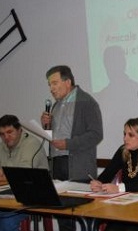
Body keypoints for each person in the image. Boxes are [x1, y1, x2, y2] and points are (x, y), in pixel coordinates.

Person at [40, 65, 103, 231]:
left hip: (78, 168)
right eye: (49, 84)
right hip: (58, 165)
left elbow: (96, 134)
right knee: (63, 217)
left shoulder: (86, 102)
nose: (51, 88)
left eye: (54, 83)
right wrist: (45, 126)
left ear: (67, 82)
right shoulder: (55, 106)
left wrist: (68, 144)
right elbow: (52, 137)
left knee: (83, 216)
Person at [0, 114, 48, 231]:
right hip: (6, 196)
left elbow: (24, 172)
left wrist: (1, 172)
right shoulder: (0, 147)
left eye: (10, 132)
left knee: (6, 223)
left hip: (30, 197)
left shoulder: (31, 144)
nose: (6, 137)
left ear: (20, 130)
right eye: (2, 134)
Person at [90, 118, 138, 231]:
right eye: (124, 134)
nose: (125, 138)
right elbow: (108, 173)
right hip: (125, 205)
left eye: (131, 135)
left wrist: (119, 188)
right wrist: (98, 182)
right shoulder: (123, 151)